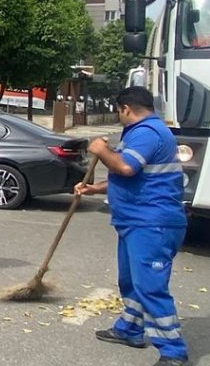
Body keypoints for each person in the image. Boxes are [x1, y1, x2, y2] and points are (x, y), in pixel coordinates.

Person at [76, 86, 190, 366]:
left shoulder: (147, 133)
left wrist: (101, 150)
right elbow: (130, 176)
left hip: (152, 223)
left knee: (150, 286)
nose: (120, 116)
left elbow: (125, 167)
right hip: (134, 221)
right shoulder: (143, 132)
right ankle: (130, 328)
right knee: (130, 280)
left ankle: (173, 350)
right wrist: (95, 188)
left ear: (126, 108)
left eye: (119, 111)